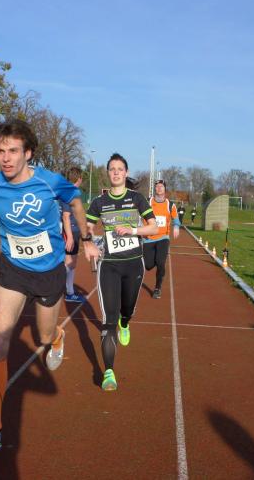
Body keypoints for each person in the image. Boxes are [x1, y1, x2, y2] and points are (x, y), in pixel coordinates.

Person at [0, 119, 98, 453]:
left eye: (13, 151)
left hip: (49, 272)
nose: (6, 158)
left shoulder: (49, 182)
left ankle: (57, 337)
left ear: (28, 153)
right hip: (12, 270)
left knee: (43, 335)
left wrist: (86, 237)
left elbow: (76, 202)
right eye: (1, 151)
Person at [86, 153, 158, 391]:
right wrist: (87, 243)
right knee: (108, 320)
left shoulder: (137, 199)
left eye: (120, 169)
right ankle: (108, 371)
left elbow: (153, 228)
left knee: (127, 310)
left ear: (126, 173)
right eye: (112, 169)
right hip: (109, 265)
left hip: (133, 264)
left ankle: (125, 323)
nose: (116, 172)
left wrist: (132, 230)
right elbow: (87, 227)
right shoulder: (99, 202)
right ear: (108, 173)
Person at [143, 179, 180, 299]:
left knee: (160, 262)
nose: (159, 188)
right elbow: (138, 214)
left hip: (163, 237)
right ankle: (155, 259)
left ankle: (157, 288)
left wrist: (176, 227)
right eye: (157, 186)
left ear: (165, 189)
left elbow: (176, 218)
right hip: (148, 238)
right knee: (148, 265)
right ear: (155, 189)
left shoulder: (170, 205)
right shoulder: (147, 202)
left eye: (161, 186)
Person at [60, 166, 88, 304]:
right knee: (69, 262)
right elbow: (66, 216)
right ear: (79, 179)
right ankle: (67, 292)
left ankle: (68, 291)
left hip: (72, 230)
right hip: (70, 231)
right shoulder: (70, 192)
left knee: (71, 262)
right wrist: (70, 237)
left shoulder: (69, 191)